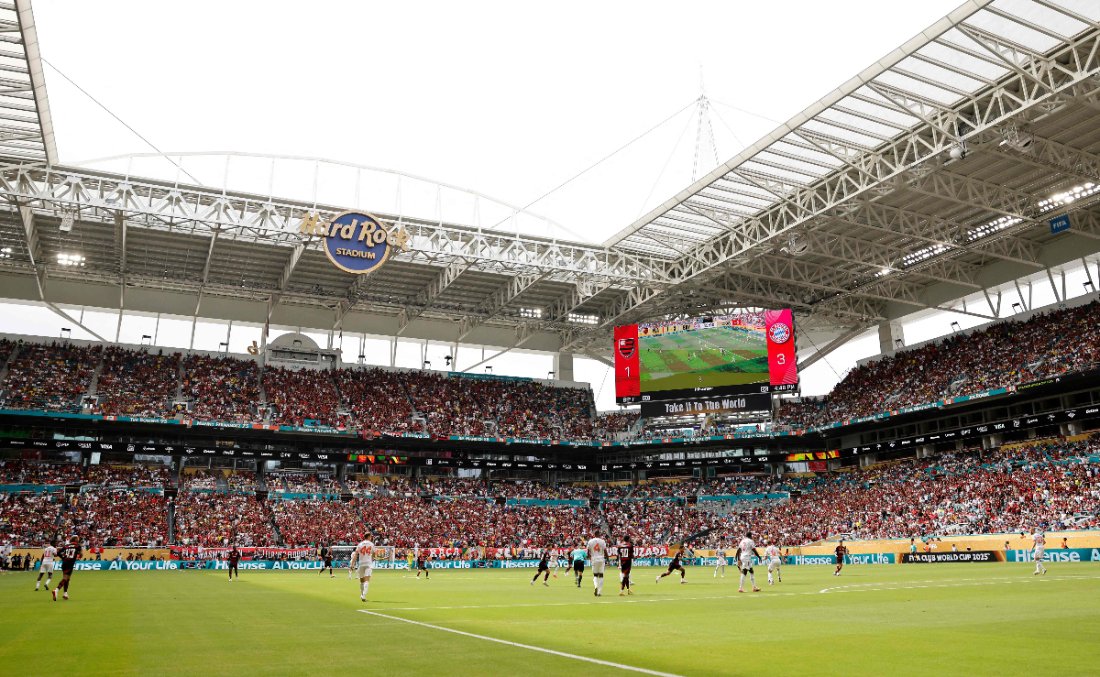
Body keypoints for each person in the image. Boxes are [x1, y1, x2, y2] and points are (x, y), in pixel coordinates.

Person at [350, 537, 375, 602]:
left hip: (361, 564)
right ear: (369, 537)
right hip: (368, 564)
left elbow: (355, 555)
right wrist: (372, 558)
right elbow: (374, 554)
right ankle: (363, 596)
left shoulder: (360, 544)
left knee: (362, 581)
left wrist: (352, 565)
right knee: (367, 581)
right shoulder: (371, 544)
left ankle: (362, 594)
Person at [586, 533, 608, 597]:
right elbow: (605, 550)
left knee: (595, 575)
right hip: (601, 559)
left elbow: (587, 552)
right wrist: (608, 559)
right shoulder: (602, 541)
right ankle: (599, 592)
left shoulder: (590, 541)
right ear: (599, 535)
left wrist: (590, 558)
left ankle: (596, 586)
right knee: (601, 575)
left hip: (594, 559)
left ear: (594, 535)